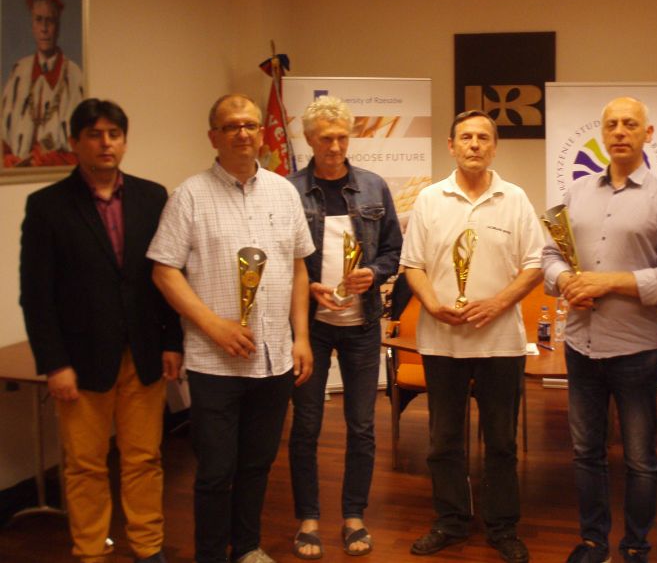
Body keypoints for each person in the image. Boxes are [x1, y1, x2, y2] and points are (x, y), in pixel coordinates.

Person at [147, 94, 314, 563]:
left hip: (274, 358)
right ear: (213, 137)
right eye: (232, 126)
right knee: (216, 471)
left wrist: (301, 337)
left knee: (258, 464)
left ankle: (247, 547)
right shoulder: (189, 196)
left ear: (262, 134)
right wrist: (213, 326)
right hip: (215, 362)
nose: (243, 133)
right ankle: (210, 555)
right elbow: (164, 270)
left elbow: (299, 267)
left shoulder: (285, 192)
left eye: (251, 125)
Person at [19, 98, 182, 563]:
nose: (106, 143)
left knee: (144, 458)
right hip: (80, 361)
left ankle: (148, 547)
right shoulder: (47, 206)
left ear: (125, 141)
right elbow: (37, 295)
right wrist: (54, 364)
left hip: (144, 353)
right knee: (85, 464)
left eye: (114, 134)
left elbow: (167, 274)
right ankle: (90, 550)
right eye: (94, 134)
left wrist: (172, 342)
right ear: (75, 142)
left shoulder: (153, 197)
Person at [542, 97, 657, 563]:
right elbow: (550, 256)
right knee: (585, 453)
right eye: (612, 125)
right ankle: (593, 542)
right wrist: (566, 282)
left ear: (648, 133)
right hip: (580, 345)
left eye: (630, 124)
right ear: (602, 134)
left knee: (640, 459)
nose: (620, 131)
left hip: (635, 350)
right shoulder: (576, 192)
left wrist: (609, 282)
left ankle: (635, 547)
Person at [401, 110, 544, 563]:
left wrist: (498, 303)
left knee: (501, 442)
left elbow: (535, 265)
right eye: (466, 137)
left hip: (501, 343)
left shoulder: (514, 198)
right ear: (451, 145)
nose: (475, 144)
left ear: (495, 147)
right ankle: (451, 521)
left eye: (483, 137)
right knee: (443, 440)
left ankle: (502, 527)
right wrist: (430, 304)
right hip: (441, 341)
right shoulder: (429, 199)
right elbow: (412, 265)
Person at [286, 95, 402, 559]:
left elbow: (393, 250)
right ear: (309, 139)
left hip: (362, 325)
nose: (334, 146)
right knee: (305, 427)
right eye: (325, 138)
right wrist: (308, 286)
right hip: (310, 327)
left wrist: (372, 273)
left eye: (341, 137)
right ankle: (308, 519)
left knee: (362, 426)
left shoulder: (373, 187)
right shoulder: (289, 191)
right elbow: (283, 257)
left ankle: (354, 515)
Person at [2, 0, 84, 165]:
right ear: (32, 25)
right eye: (39, 20)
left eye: (50, 21)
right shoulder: (19, 72)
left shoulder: (73, 74)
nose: (44, 29)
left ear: (58, 26)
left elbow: (79, 151)